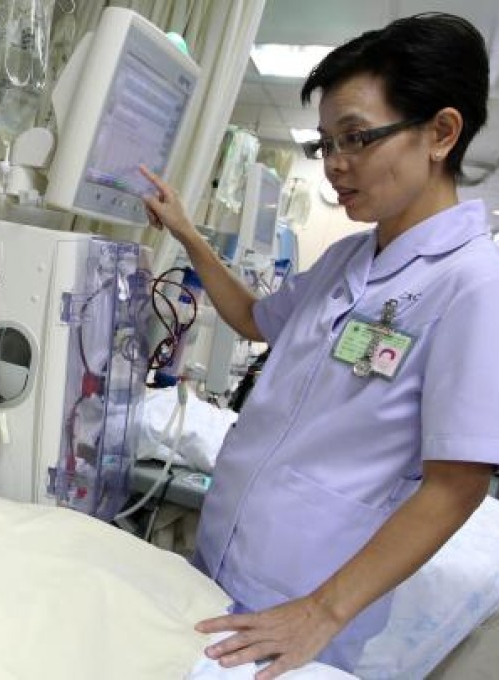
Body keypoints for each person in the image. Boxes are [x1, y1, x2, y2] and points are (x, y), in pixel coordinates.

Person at [138, 12, 498, 677]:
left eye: (357, 138)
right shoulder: (347, 259)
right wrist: (189, 236)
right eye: (326, 142)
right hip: (222, 566)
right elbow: (253, 318)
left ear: (441, 133)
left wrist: (323, 612)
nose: (335, 164)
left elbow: (458, 485)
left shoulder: (474, 284)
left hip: (305, 609)